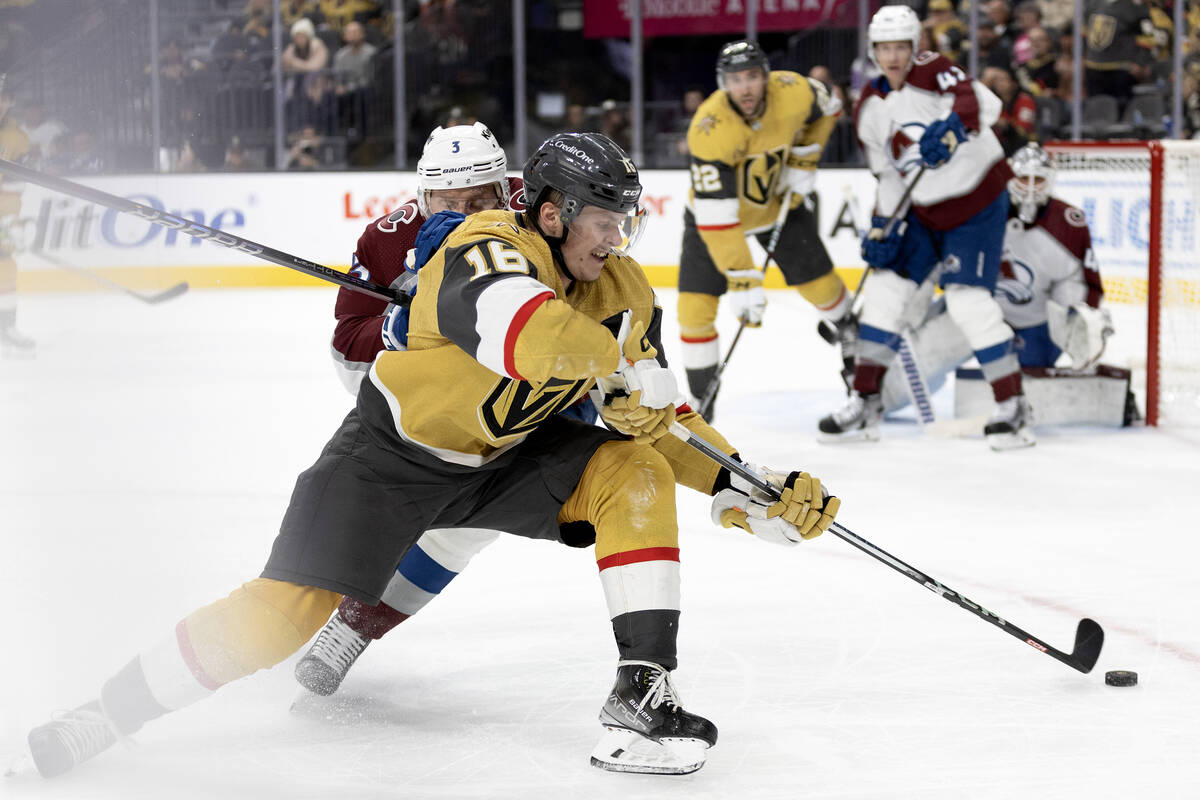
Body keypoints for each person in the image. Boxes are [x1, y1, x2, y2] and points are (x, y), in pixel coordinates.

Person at [25, 132, 841, 778]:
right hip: (390, 458)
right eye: (605, 218)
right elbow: (526, 334)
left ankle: (641, 693)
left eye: (625, 220)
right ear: (551, 213)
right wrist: (616, 367)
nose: (618, 238)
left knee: (636, 466)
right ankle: (105, 712)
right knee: (276, 622)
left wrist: (749, 489)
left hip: (510, 460)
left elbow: (665, 421)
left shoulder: (622, 290)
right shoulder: (485, 244)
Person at [819, 5, 1034, 451]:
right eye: (885, 48)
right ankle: (865, 401)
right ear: (874, 51)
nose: (894, 56)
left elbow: (985, 106)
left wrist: (953, 128)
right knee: (884, 295)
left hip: (976, 202)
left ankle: (1013, 407)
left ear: (915, 46)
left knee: (968, 302)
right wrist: (883, 228)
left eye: (901, 47)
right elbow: (891, 176)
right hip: (921, 212)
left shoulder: (935, 70)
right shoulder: (870, 107)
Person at [678, 40, 853, 420]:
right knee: (694, 310)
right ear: (723, 83)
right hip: (712, 220)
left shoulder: (793, 89)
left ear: (766, 76)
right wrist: (743, 280)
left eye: (753, 77)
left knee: (823, 288)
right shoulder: (709, 128)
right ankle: (701, 404)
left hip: (778, 206)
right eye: (736, 79)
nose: (745, 87)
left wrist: (806, 155)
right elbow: (719, 219)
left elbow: (831, 105)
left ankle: (853, 340)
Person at [878, 143, 1113, 414]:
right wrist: (922, 290)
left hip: (1032, 325)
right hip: (975, 315)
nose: (1031, 187)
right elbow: (943, 255)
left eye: (1039, 180)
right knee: (917, 365)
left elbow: (1078, 283)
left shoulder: (1068, 223)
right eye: (1025, 178)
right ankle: (874, 397)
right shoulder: (983, 211)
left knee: (1026, 398)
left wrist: (1075, 318)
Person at [0, 79, 34, 356]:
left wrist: (8, 223)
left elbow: (15, 188)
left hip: (2, 215)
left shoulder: (17, 139)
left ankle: (7, 329)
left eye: (4, 98)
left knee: (5, 268)